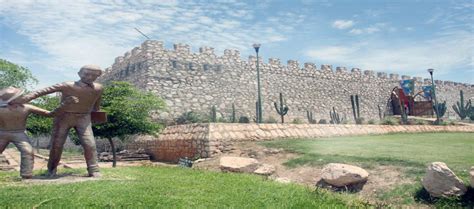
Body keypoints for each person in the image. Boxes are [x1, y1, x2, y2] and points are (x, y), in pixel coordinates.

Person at [11, 65, 104, 177]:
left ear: (98, 76)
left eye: (93, 75)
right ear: (79, 73)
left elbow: (96, 104)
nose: (89, 77)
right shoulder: (67, 85)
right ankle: (51, 169)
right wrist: (26, 98)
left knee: (90, 144)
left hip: (83, 118)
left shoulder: (98, 88)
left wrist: (97, 116)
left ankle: (94, 170)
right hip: (63, 117)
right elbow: (43, 91)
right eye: (86, 74)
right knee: (57, 145)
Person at [0, 87, 53, 179]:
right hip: (2, 134)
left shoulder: (27, 107)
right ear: (13, 100)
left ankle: (26, 175)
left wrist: (65, 105)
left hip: (19, 134)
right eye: (20, 96)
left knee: (28, 151)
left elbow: (49, 114)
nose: (23, 97)